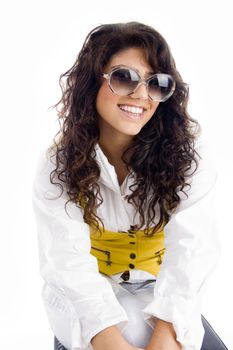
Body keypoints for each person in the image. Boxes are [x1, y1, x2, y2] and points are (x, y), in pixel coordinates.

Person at [32, 22, 227, 350]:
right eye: (124, 77)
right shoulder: (57, 162)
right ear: (92, 81)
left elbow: (192, 253)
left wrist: (166, 336)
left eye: (157, 84)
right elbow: (66, 263)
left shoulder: (189, 156)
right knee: (128, 334)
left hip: (160, 289)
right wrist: (110, 342)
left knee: (157, 331)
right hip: (89, 293)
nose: (141, 95)